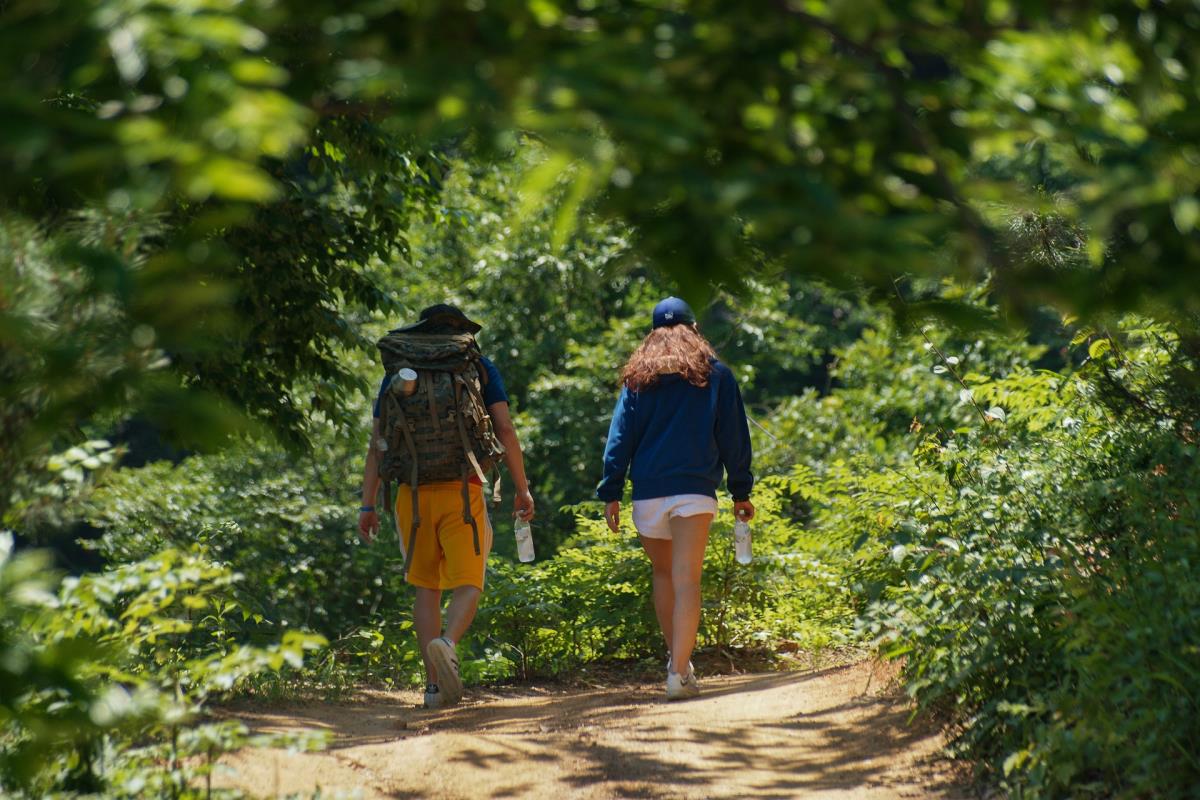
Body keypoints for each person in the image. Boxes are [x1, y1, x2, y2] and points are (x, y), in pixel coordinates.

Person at [358, 304, 535, 709]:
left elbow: (377, 443)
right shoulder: (477, 366)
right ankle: (448, 642)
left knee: (427, 587)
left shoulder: (398, 371)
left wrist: (367, 505)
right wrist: (522, 489)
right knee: (469, 581)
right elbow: (505, 429)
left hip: (412, 493)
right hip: (463, 489)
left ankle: (434, 687)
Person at [596, 296, 754, 701]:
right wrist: (741, 490)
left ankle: (678, 664)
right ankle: (678, 672)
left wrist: (611, 492)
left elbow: (619, 439)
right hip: (693, 491)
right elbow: (734, 437)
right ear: (694, 330)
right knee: (687, 581)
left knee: (664, 576)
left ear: (652, 335)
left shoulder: (637, 380)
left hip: (648, 495)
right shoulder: (716, 375)